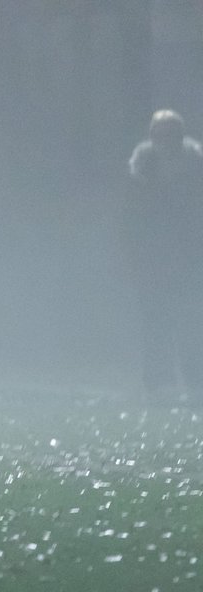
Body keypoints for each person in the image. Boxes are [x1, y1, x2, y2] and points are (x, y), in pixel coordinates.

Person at [123, 109, 203, 402]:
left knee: (191, 319)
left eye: (171, 134)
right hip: (152, 258)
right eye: (161, 134)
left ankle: (195, 381)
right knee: (154, 320)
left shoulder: (196, 167)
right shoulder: (142, 169)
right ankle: (158, 382)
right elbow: (132, 218)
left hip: (189, 256)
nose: (166, 140)